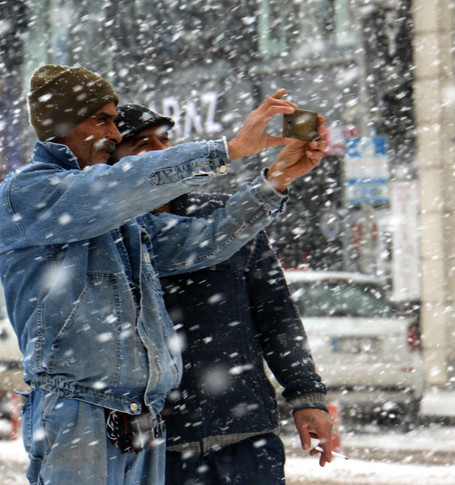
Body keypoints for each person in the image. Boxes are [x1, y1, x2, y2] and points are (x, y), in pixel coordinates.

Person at [0, 64, 328, 485]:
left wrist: (275, 181)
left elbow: (210, 238)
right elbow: (115, 187)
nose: (113, 134)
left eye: (116, 122)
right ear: (61, 123)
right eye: (103, 120)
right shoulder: (30, 192)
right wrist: (230, 148)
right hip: (80, 413)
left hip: (143, 417)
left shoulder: (125, 218)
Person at [111, 104, 333, 484]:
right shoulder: (109, 235)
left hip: (246, 436)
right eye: (140, 145)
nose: (159, 150)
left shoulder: (224, 214)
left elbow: (275, 313)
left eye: (163, 139)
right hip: (153, 445)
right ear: (112, 162)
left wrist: (306, 396)